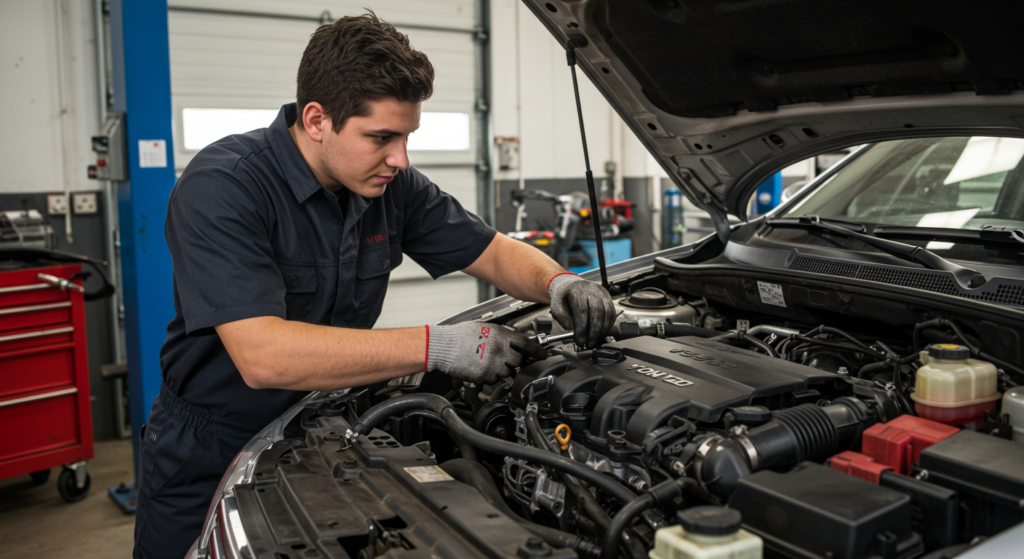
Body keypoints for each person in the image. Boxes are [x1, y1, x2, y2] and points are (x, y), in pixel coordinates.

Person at [133, 13, 615, 559]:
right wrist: (442, 345)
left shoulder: (393, 187)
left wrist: (559, 282)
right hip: (210, 447)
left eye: (407, 137)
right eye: (381, 137)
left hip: (324, 427)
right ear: (317, 120)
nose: (400, 159)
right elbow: (263, 356)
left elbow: (494, 251)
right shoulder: (224, 186)